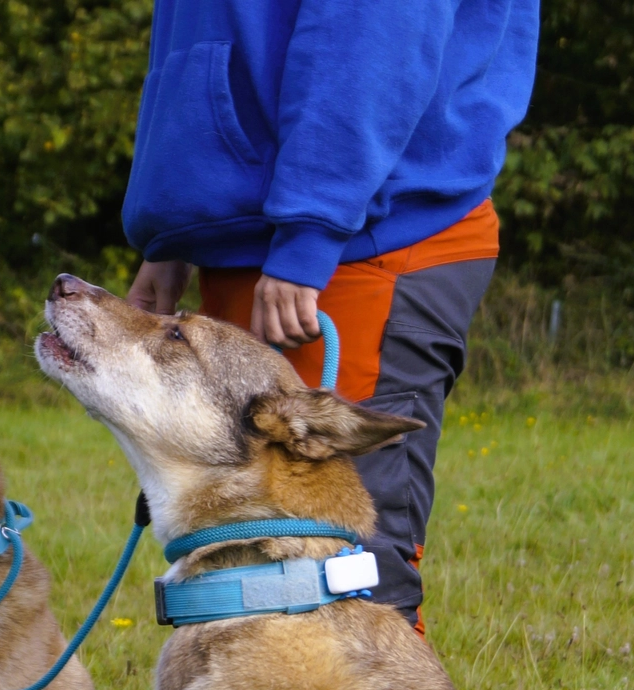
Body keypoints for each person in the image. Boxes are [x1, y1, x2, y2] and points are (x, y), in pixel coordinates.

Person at [123, 0, 539, 633]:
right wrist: (176, 230)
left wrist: (314, 222)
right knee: (252, 558)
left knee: (347, 567)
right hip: (268, 235)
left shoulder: (321, 229)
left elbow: (378, 28)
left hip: (363, 235)